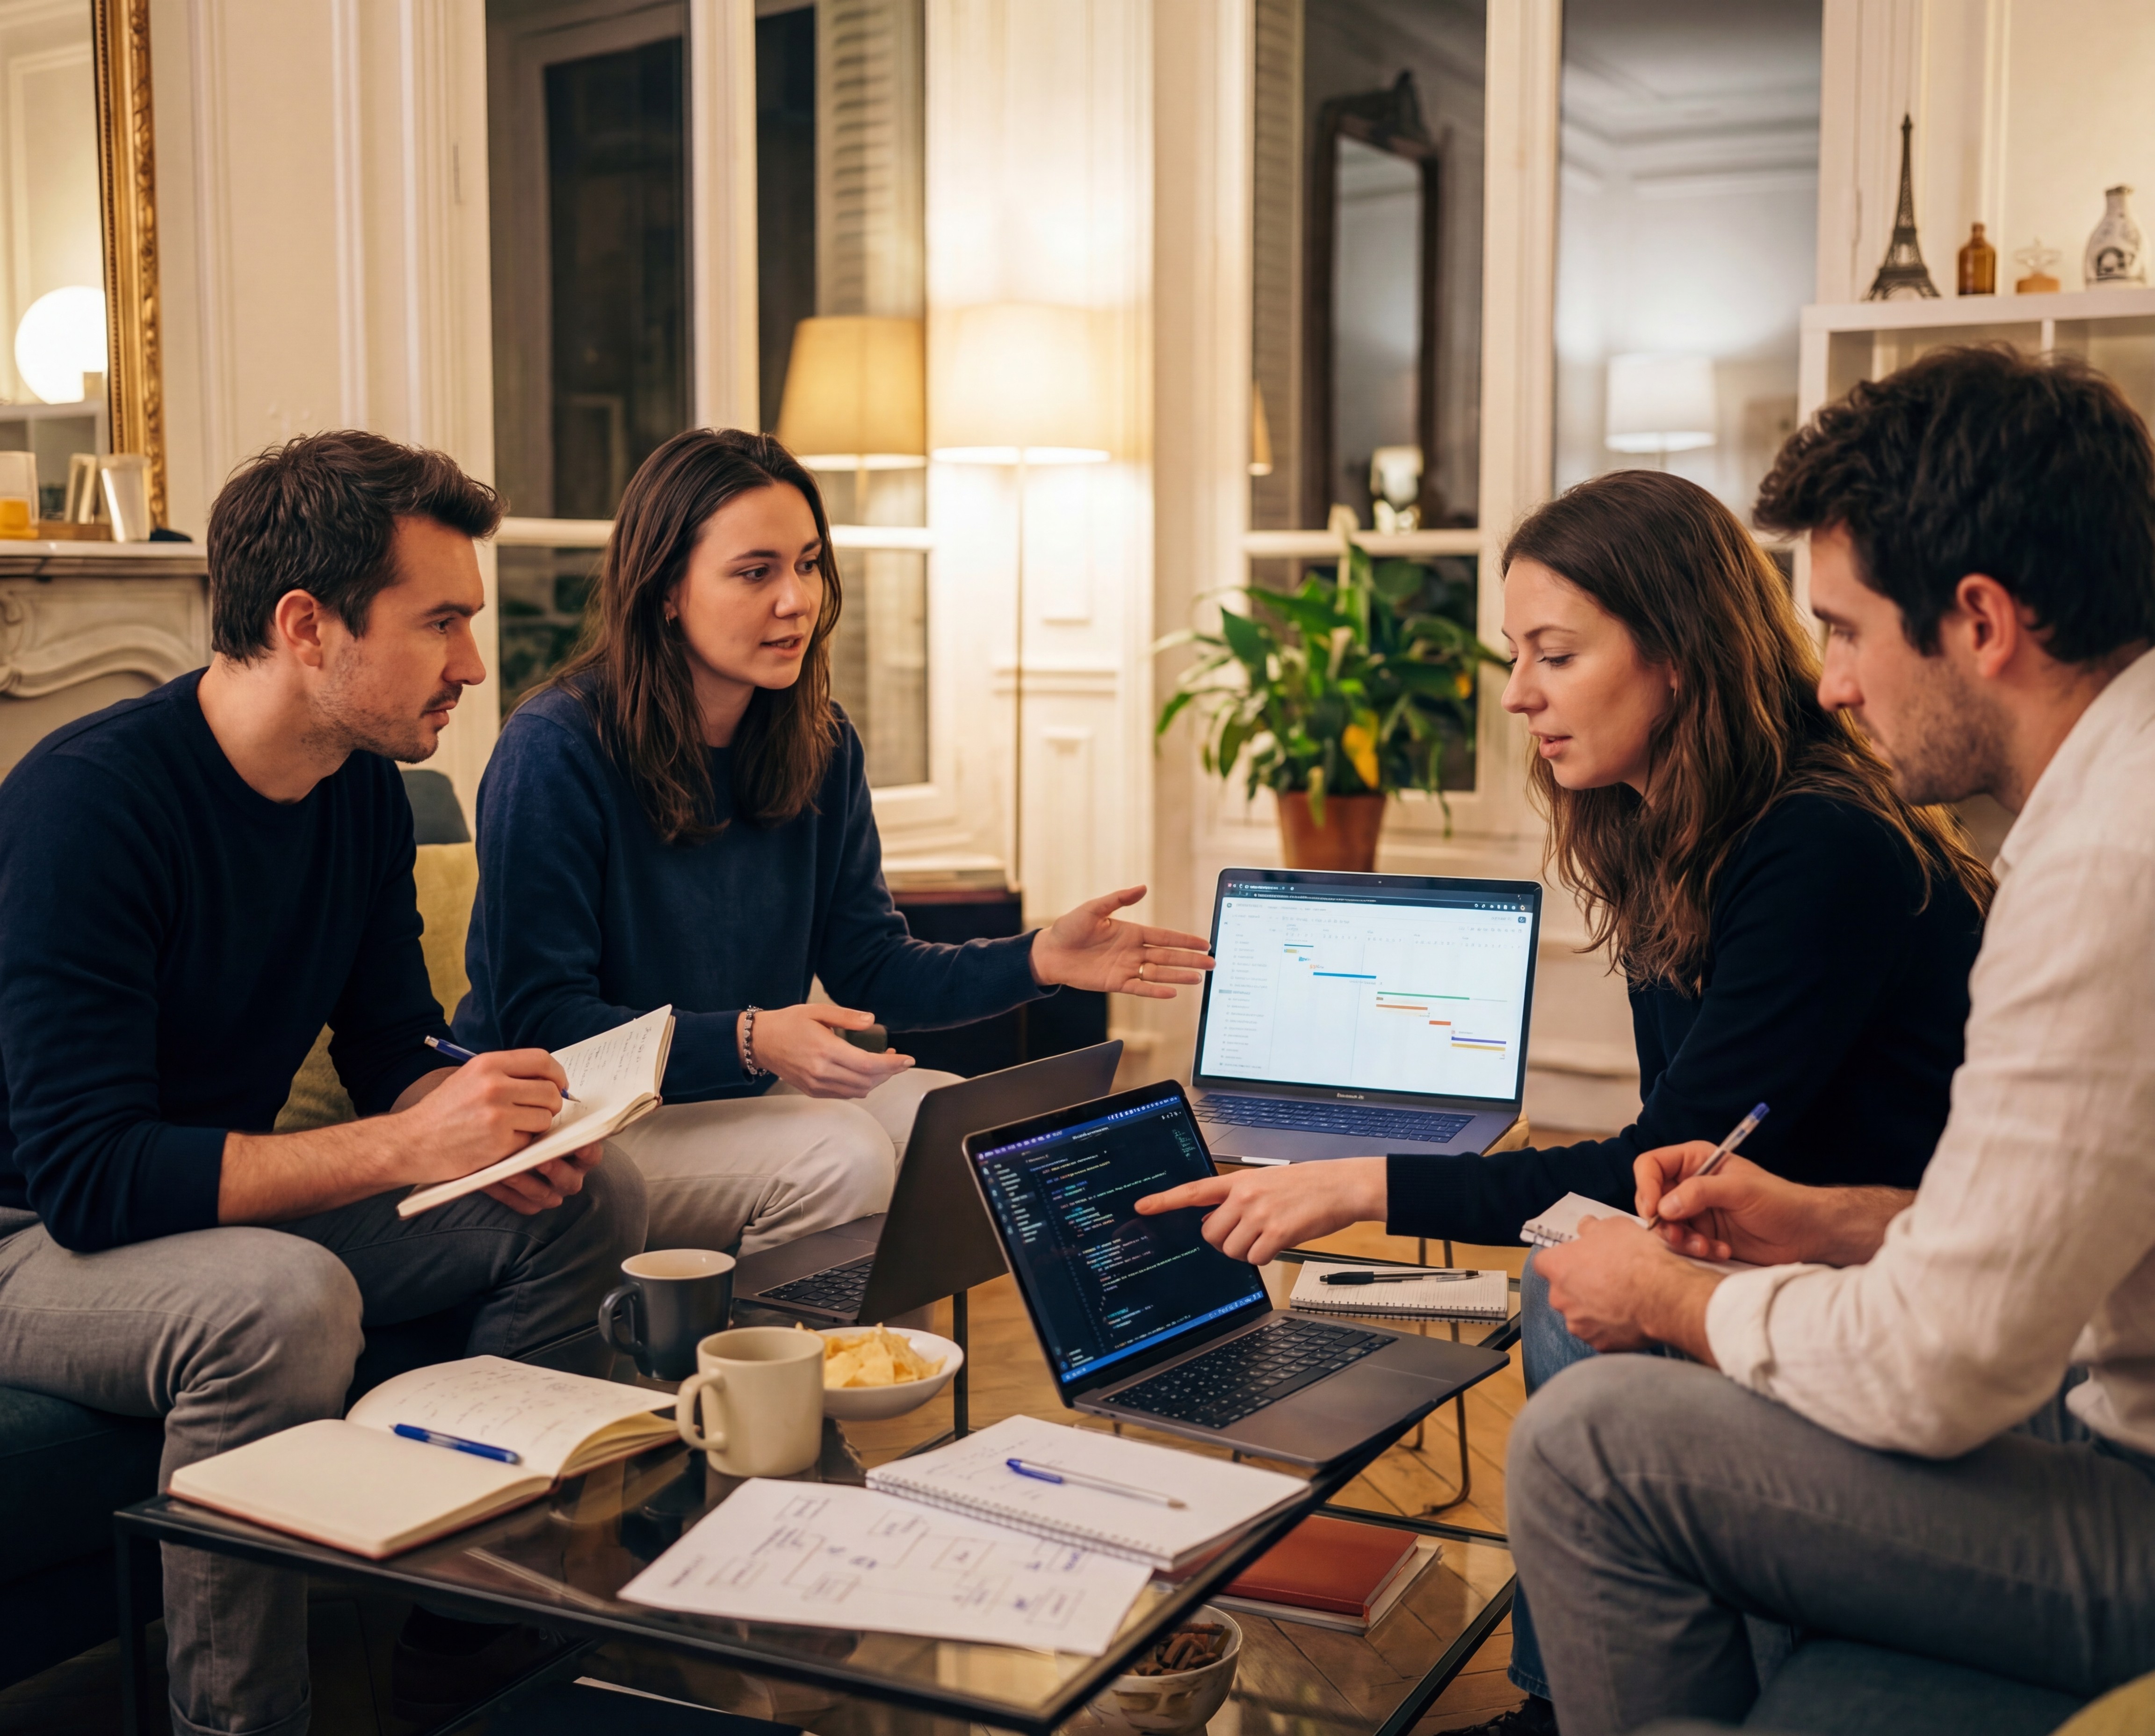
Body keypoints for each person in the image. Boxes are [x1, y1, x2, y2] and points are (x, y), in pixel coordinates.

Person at [1137, 468, 1989, 1732]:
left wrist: (1357, 1185)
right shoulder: (1672, 827)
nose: (1520, 692)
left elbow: (1671, 1152)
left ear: (1680, 656)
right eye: (1516, 656)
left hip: (1887, 1268)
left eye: (1555, 653)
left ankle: (1573, 1695)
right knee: (1563, 1271)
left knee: (1565, 1280)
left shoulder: (1818, 845)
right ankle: (1566, 1689)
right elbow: (1675, 1155)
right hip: (1777, 1232)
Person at [1509, 345, 2155, 1736]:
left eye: (1848, 630)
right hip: (2095, 1397)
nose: (1835, 684)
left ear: (1980, 622)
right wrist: (1827, 1223)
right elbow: (2083, 1227)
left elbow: (1945, 1369)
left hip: (2127, 1489)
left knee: (1588, 1444)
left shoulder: (2111, 861)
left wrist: (1671, 1299)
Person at [0, 432, 645, 1736]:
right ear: (307, 625)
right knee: (280, 1302)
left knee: (587, 1199)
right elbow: (91, 1175)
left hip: (184, 1197)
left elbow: (393, 1046)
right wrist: (405, 1152)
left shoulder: (362, 795)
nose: (474, 662)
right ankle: (240, 1723)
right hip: (35, 1231)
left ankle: (469, 1633)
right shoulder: (88, 808)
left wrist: (493, 1117)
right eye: (442, 621)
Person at [456, 428, 1213, 1255]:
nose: (797, 600)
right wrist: (750, 1039)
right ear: (666, 589)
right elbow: (546, 1020)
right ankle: (744, 1380)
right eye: (756, 572)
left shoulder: (818, 741)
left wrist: (1038, 960)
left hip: (736, 1090)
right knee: (842, 1154)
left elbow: (871, 967)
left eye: (809, 563)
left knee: (952, 1126)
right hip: (582, 1121)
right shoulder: (557, 746)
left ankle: (872, 1382)